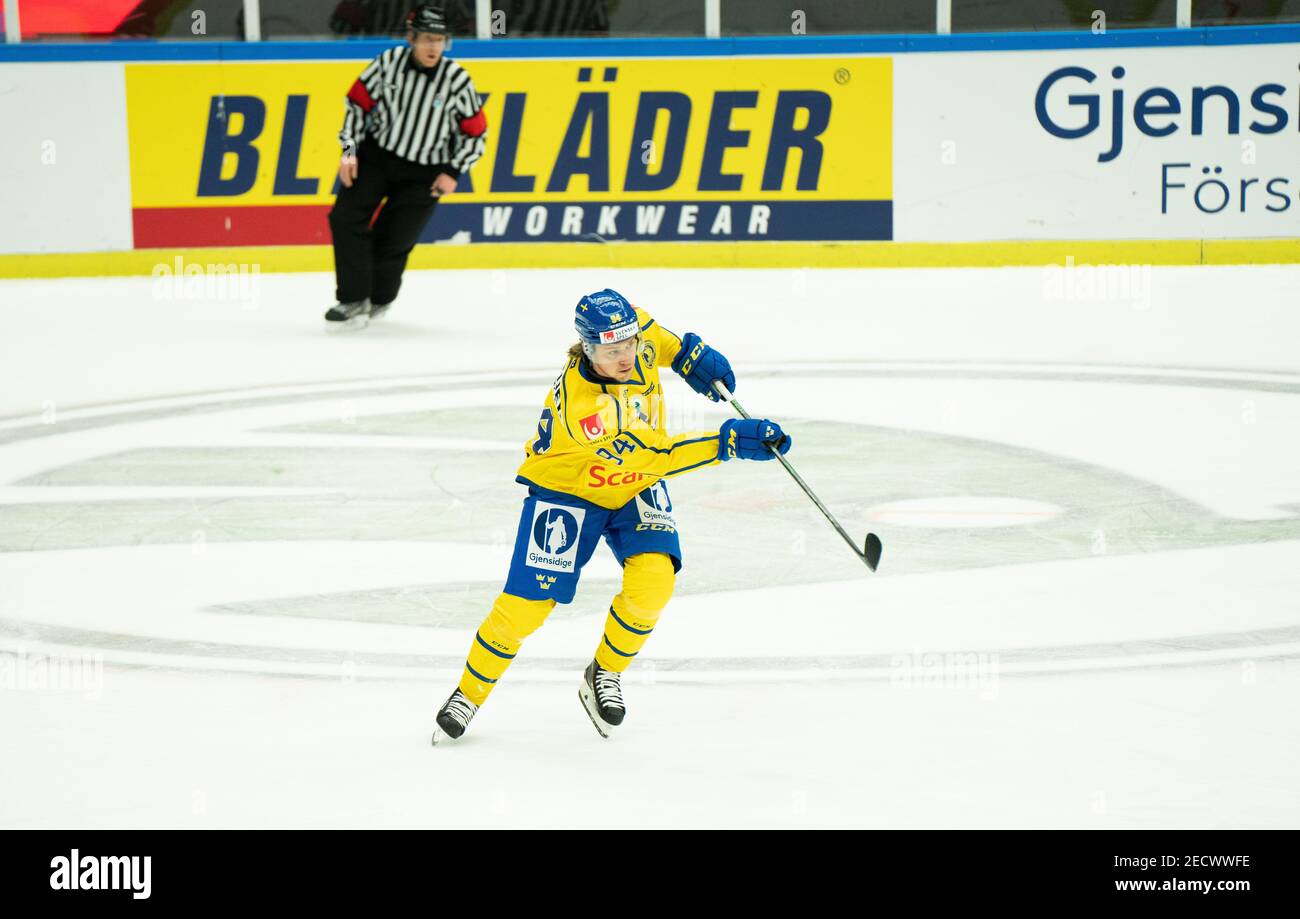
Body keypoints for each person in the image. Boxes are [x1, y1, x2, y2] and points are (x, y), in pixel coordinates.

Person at [431, 288, 793, 742]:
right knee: (526, 608)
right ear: (587, 348)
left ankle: (604, 672)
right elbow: (656, 457)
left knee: (655, 582)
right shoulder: (587, 412)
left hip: (632, 483)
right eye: (610, 351)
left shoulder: (634, 333)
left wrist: (690, 356)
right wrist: (729, 443)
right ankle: (469, 694)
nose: (625, 358)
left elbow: (660, 340)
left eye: (629, 346)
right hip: (569, 489)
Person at [325, 4, 487, 329]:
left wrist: (453, 171)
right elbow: (356, 104)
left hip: (426, 171)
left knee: (394, 239)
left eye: (440, 40)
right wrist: (349, 150)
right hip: (377, 157)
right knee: (344, 217)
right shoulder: (387, 64)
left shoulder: (456, 80)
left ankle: (379, 299)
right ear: (411, 38)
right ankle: (353, 298)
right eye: (427, 38)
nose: (434, 47)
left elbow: (476, 133)